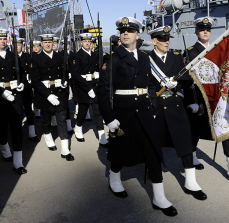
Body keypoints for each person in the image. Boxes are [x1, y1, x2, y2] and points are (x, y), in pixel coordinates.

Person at [96, 17, 177, 217]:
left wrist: (155, 106)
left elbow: (150, 85)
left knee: (153, 152)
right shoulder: (112, 58)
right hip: (123, 113)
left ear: (137, 35)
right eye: (122, 30)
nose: (125, 33)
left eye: (130, 31)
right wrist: (109, 118)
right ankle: (114, 180)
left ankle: (159, 197)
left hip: (145, 111)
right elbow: (103, 92)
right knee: (120, 152)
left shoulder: (143, 57)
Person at [185, 17, 229, 185]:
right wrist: (191, 101)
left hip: (217, 99)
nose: (205, 31)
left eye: (207, 29)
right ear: (196, 32)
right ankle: (192, 158)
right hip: (200, 100)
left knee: (225, 131)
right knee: (194, 131)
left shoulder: (218, 49)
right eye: (201, 29)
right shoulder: (191, 51)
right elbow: (188, 80)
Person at [148, 26, 207, 200]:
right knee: (154, 147)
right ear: (154, 41)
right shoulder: (146, 60)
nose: (167, 42)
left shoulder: (175, 58)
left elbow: (187, 80)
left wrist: (188, 97)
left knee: (185, 143)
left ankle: (191, 182)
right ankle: (157, 185)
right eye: (163, 39)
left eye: (168, 39)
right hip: (157, 107)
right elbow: (145, 85)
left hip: (175, 105)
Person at [30, 34, 74, 161]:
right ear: (42, 44)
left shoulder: (60, 56)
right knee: (46, 120)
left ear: (53, 43)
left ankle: (65, 150)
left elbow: (66, 70)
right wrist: (48, 95)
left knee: (61, 119)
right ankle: (48, 139)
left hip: (60, 92)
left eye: (50, 42)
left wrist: (66, 80)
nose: (48, 44)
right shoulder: (36, 59)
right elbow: (35, 81)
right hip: (44, 94)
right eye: (46, 42)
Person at [70, 33, 108, 147]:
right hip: (83, 87)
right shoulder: (76, 56)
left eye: (89, 41)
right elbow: (75, 75)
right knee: (82, 110)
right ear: (81, 43)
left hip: (95, 85)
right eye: (85, 41)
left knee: (97, 111)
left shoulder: (96, 54)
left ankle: (102, 136)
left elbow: (101, 68)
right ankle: (78, 128)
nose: (87, 43)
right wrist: (88, 88)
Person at [0, 29, 27, 174]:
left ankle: (18, 162)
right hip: (1, 97)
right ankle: (4, 147)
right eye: (0, 39)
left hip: (15, 95)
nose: (3, 41)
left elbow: (21, 73)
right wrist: (2, 92)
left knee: (17, 128)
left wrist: (22, 82)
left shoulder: (13, 55)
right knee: (2, 128)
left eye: (4, 39)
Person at [17, 38, 40, 142]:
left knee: (28, 110)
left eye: (19, 45)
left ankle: (32, 132)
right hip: (15, 87)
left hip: (26, 86)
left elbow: (32, 69)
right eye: (16, 45)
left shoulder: (27, 56)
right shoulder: (10, 56)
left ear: (22, 46)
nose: (17, 46)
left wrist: (31, 77)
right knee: (17, 111)